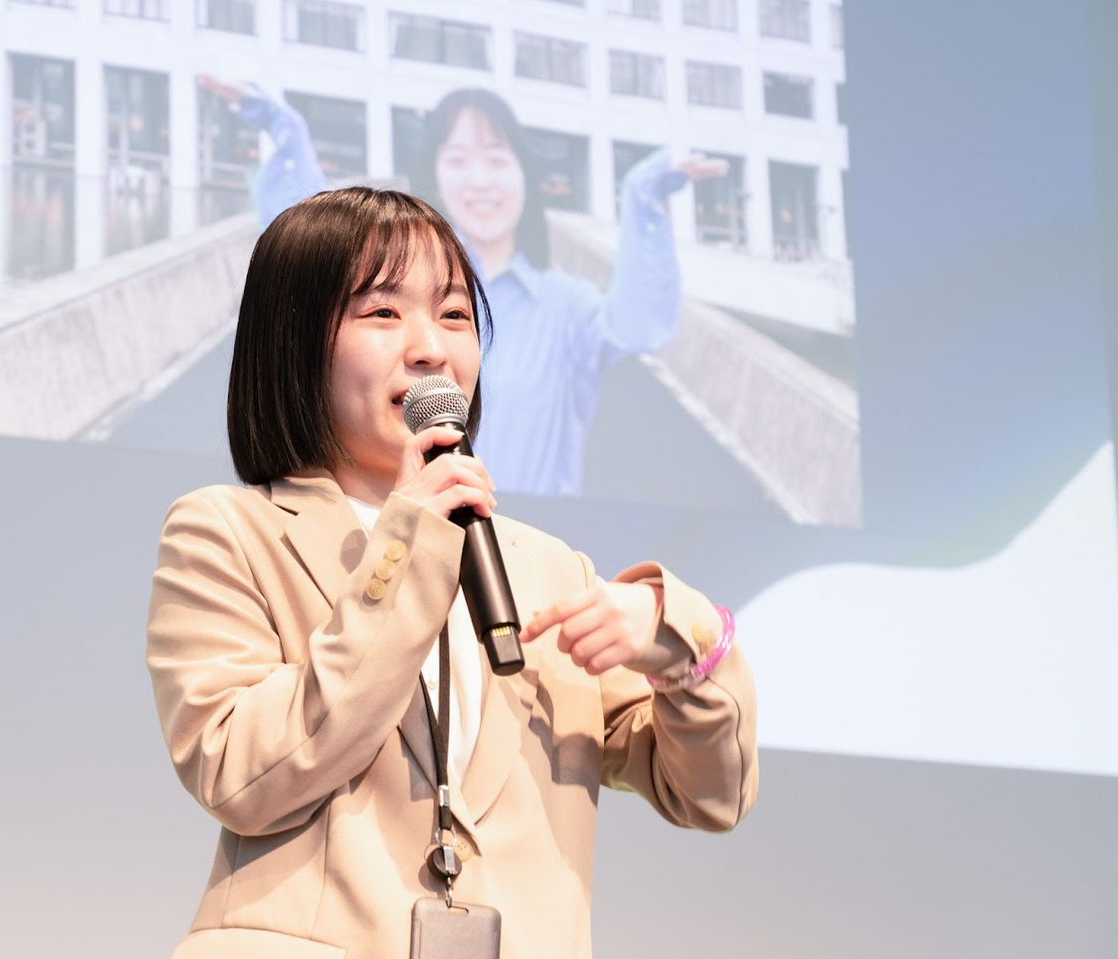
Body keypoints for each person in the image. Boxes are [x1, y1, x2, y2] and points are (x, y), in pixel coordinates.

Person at [146, 186, 757, 959]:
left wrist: (679, 642)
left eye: (455, 314)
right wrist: (410, 544)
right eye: (381, 312)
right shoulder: (228, 532)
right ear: (293, 341)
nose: (431, 348)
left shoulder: (547, 570)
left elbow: (710, 794)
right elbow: (240, 773)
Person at [198, 78, 727, 496]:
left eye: (497, 159)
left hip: (528, 552)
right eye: (457, 160)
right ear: (435, 175)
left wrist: (642, 198)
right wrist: (287, 133)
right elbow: (312, 255)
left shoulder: (566, 305)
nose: (480, 180)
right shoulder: (231, 530)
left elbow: (642, 325)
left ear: (525, 177)